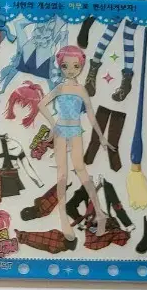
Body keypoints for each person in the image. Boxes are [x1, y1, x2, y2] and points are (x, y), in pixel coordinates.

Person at [36, 45, 116, 246]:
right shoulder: (60, 88)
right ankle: (63, 218)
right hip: (61, 132)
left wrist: (101, 137)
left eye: (75, 66)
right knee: (62, 175)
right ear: (60, 66)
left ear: (81, 66)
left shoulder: (81, 89)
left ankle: (100, 213)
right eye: (65, 66)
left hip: (75, 131)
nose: (70, 70)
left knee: (81, 169)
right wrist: (53, 124)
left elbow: (91, 115)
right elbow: (41, 104)